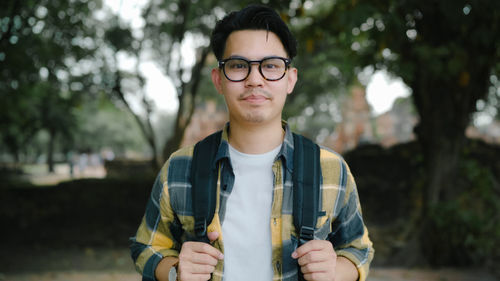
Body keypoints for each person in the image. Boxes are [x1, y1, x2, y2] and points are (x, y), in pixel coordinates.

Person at [130, 5, 374, 281]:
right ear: (218, 79)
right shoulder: (180, 167)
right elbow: (146, 247)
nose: (254, 80)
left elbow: (358, 249)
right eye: (238, 66)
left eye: (270, 66)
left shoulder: (330, 168)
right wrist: (175, 270)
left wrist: (336, 270)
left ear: (290, 79)